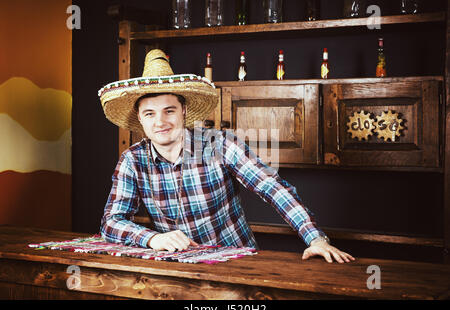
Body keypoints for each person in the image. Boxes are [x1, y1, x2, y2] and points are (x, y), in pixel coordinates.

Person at [98, 49, 354, 263]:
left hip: (234, 261)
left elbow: (274, 189)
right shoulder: (132, 160)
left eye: (169, 111)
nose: (161, 122)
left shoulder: (220, 144)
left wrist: (316, 239)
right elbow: (111, 222)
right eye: (150, 114)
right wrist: (154, 238)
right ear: (140, 118)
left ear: (184, 111)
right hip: (177, 267)